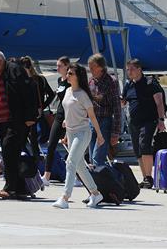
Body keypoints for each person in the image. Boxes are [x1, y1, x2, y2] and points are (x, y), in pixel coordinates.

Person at [0, 50, 38, 199]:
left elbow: (29, 92)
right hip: (3, 121)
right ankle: (21, 188)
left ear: (0, 61)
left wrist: (30, 116)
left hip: (17, 119)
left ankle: (10, 187)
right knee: (12, 154)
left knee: (9, 152)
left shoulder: (15, 70)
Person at [52, 64, 105, 209]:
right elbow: (69, 110)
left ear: (78, 77)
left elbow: (92, 117)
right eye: (67, 73)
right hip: (70, 132)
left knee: (70, 162)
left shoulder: (83, 95)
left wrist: (100, 136)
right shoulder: (68, 91)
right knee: (80, 166)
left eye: (70, 74)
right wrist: (65, 123)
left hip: (82, 133)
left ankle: (65, 197)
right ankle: (95, 193)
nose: (67, 75)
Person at [121, 58, 166, 189]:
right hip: (133, 122)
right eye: (128, 69)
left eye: (132, 69)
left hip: (149, 120)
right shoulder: (129, 85)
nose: (129, 72)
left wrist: (161, 120)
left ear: (139, 69)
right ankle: (145, 177)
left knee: (144, 145)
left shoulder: (150, 83)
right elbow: (124, 102)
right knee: (137, 150)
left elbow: (159, 103)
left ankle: (149, 177)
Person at [87, 53, 122, 167]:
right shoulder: (91, 81)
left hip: (104, 122)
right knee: (92, 158)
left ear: (100, 67)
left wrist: (116, 133)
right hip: (92, 121)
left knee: (98, 157)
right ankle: (95, 183)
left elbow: (117, 108)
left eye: (92, 67)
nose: (90, 69)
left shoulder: (111, 82)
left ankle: (100, 182)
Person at [42, 56, 70, 186]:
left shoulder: (71, 81)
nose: (57, 68)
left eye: (59, 66)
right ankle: (46, 176)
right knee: (51, 143)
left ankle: (75, 176)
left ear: (66, 66)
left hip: (69, 116)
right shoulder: (60, 80)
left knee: (72, 147)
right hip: (59, 115)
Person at [19, 56, 54, 158]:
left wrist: (41, 106)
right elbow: (51, 94)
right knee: (33, 139)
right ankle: (35, 158)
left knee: (28, 139)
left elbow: (50, 94)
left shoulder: (29, 81)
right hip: (36, 112)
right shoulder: (40, 79)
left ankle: (32, 160)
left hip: (29, 113)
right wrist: (42, 106)